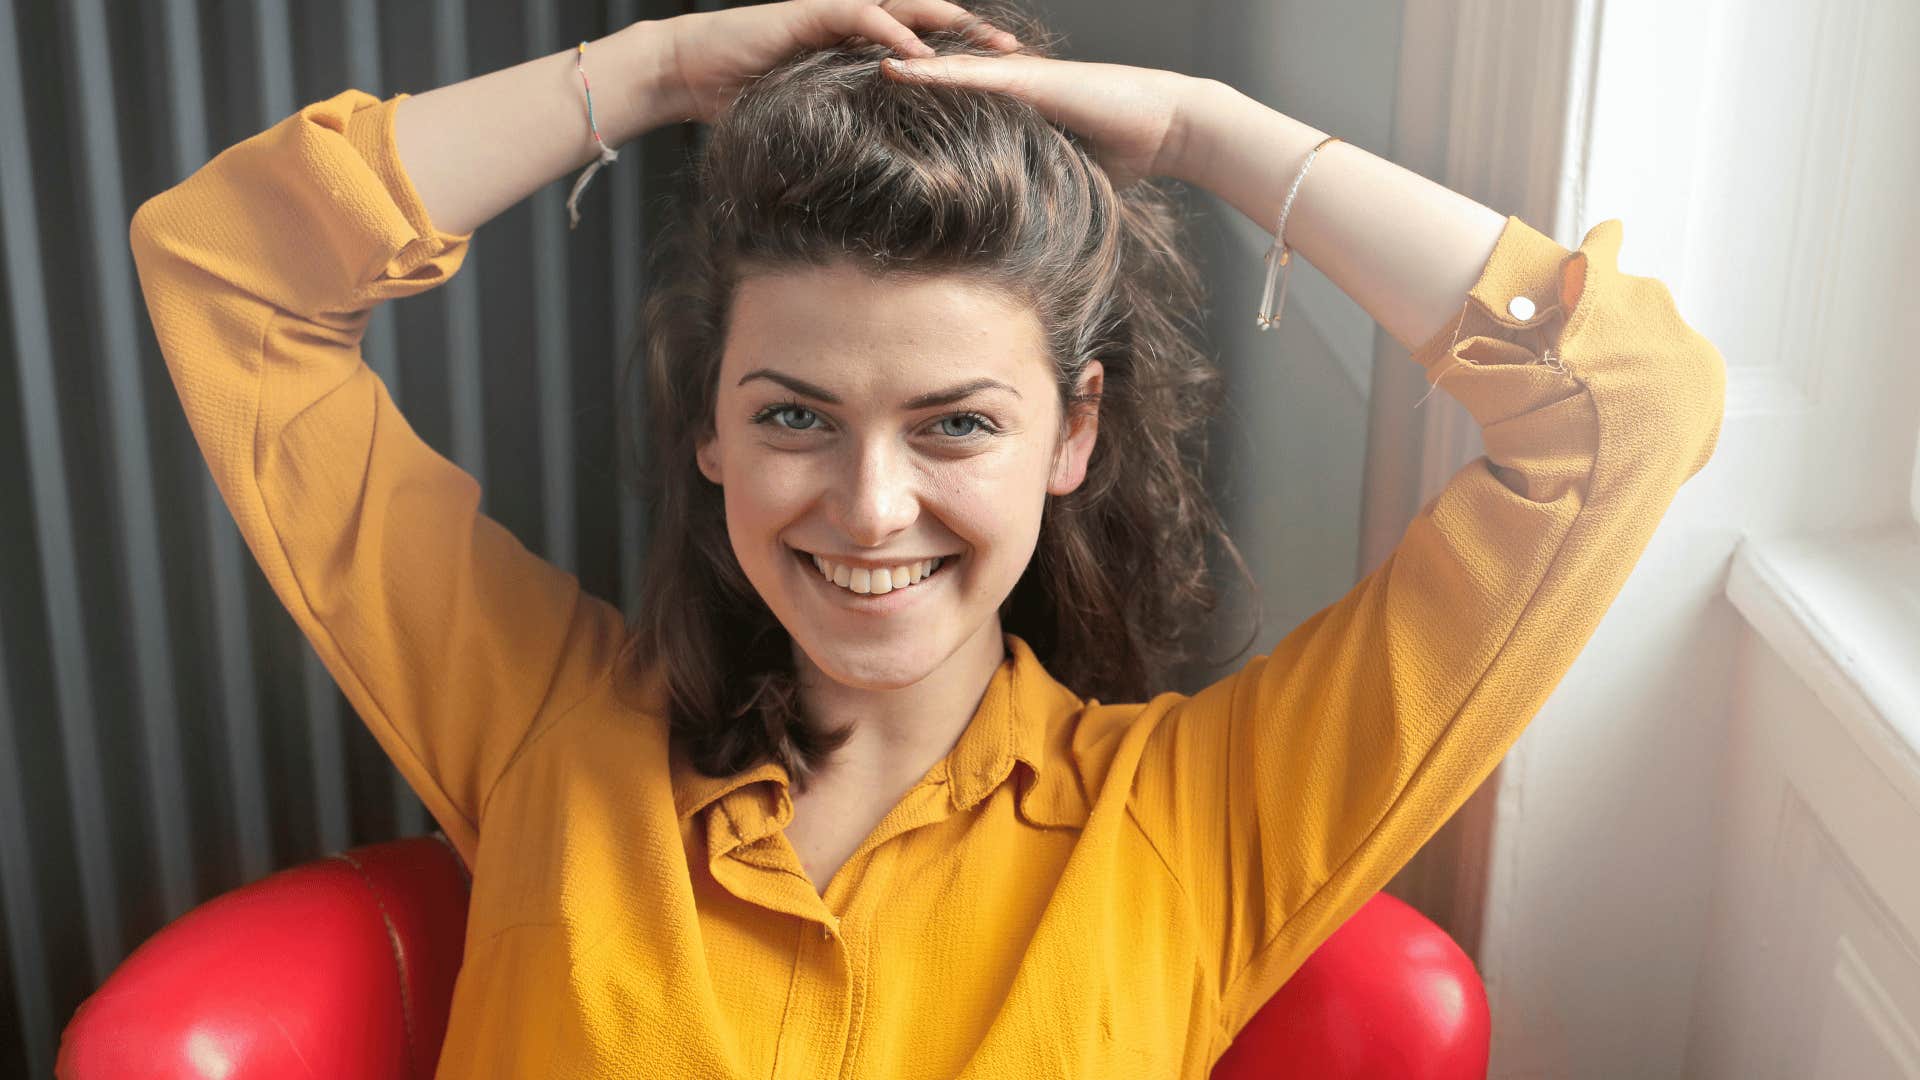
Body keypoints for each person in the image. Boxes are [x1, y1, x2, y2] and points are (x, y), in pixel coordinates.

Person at [126, 0, 1725, 1074]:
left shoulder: (1206, 819)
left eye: (957, 422)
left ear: (1071, 435)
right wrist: (659, 70)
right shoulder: (542, 723)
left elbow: (1626, 403)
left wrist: (1203, 128)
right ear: (709, 426)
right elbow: (224, 270)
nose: (870, 507)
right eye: (793, 416)